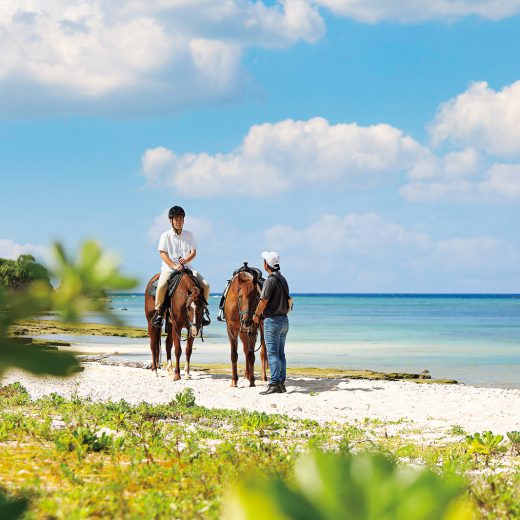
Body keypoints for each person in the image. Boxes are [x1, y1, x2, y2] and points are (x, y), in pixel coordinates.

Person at [152, 206, 210, 328]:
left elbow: (193, 252)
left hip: (187, 268)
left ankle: (202, 310)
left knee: (206, 285)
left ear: (184, 220)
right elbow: (162, 253)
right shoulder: (165, 235)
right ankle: (159, 312)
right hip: (169, 269)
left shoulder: (190, 235)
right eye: (176, 218)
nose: (179, 221)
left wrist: (185, 261)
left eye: (181, 218)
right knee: (161, 286)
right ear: (171, 221)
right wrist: (173, 265)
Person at [253, 251, 290, 395]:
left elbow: (263, 301)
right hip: (284, 320)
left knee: (272, 354)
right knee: (281, 354)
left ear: (266, 264)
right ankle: (281, 383)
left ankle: (274, 383)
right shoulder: (283, 279)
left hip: (272, 321)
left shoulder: (270, 281)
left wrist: (256, 315)